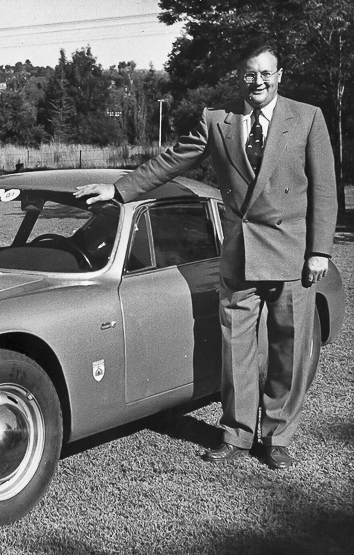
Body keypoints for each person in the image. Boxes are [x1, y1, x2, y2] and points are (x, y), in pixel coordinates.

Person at [74, 41, 338, 470]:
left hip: (292, 255)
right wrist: (119, 190)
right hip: (239, 254)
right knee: (236, 350)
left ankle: (276, 436)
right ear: (241, 77)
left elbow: (325, 190)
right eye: (250, 74)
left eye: (266, 74)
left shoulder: (307, 117)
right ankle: (235, 435)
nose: (257, 82)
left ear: (280, 76)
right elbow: (172, 161)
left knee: (288, 350)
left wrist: (320, 250)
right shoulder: (218, 120)